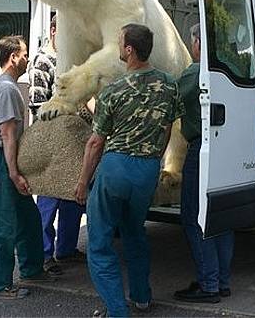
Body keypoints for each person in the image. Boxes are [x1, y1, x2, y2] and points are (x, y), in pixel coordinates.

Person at [74, 23, 184, 317]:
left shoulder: (114, 90)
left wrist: (83, 182)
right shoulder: (168, 85)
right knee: (135, 232)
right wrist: (154, 161)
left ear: (129, 50)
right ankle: (142, 297)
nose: (117, 45)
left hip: (116, 167)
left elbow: (96, 142)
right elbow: (166, 130)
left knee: (99, 243)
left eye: (119, 41)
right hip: (147, 170)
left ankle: (117, 310)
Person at [0, 35, 54, 300]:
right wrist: (14, 172)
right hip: (0, 160)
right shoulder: (7, 89)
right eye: (24, 55)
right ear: (13, 58)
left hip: (5, 158)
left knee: (28, 218)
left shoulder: (7, 85)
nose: (27, 59)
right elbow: (8, 134)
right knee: (3, 224)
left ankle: (32, 269)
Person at [174, 23, 235, 304]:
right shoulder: (231, 68)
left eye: (193, 41)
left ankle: (208, 284)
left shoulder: (193, 73)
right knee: (221, 218)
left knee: (195, 218)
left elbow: (170, 100)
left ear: (198, 43)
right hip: (228, 148)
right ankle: (221, 282)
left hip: (201, 149)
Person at [28, 15, 86, 275]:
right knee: (48, 201)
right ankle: (42, 254)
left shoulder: (70, 60)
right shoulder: (43, 62)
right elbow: (38, 106)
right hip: (52, 142)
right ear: (53, 31)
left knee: (73, 198)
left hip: (73, 142)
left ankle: (66, 249)